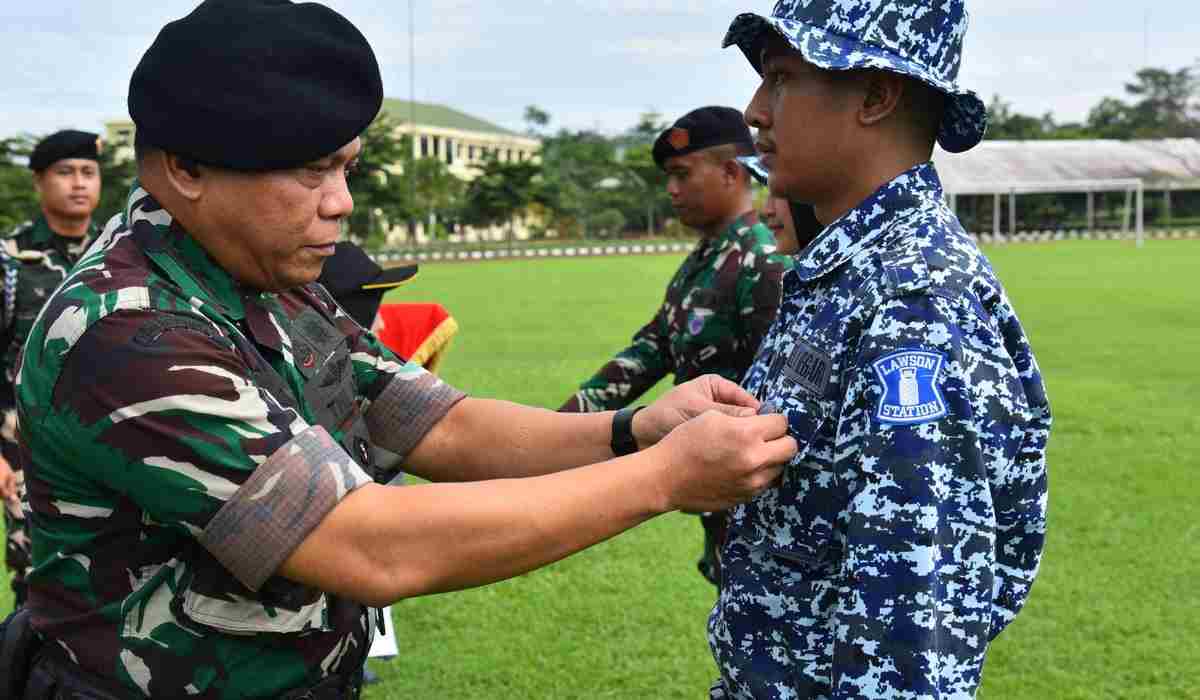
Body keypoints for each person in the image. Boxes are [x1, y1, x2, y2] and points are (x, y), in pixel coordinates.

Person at [5, 2, 798, 699]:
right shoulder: (127, 329)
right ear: (185, 168)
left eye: (346, 166)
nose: (342, 202)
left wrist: (630, 431)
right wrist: (661, 478)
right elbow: (368, 544)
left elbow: (433, 424)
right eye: (312, 170)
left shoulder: (261, 272)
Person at [708, 1, 1052, 698]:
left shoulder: (912, 300)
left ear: (876, 95)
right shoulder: (850, 269)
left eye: (780, 77)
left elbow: (912, 626)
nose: (754, 110)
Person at [560, 106, 790, 587]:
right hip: (718, 485)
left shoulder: (763, 260)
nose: (671, 189)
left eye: (683, 174)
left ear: (731, 173)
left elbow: (777, 392)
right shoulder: (706, 259)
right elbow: (650, 350)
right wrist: (555, 428)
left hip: (759, 493)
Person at [0, 129, 102, 608]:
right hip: (26, 449)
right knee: (38, 579)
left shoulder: (118, 250)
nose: (78, 183)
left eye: (88, 171)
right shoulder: (11, 260)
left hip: (113, 438)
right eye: (65, 172)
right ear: (40, 181)